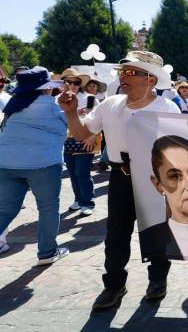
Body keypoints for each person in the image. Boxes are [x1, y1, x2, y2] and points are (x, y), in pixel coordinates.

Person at [58, 51, 181, 310]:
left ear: (150, 79)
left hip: (152, 179)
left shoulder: (166, 108)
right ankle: (113, 285)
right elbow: (83, 133)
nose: (123, 77)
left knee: (156, 232)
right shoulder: (110, 104)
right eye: (122, 72)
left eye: (130, 72)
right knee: (116, 235)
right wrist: (70, 113)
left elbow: (177, 149)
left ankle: (158, 279)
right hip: (120, 177)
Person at [0, 68, 68, 262]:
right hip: (43, 163)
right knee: (48, 207)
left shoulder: (12, 106)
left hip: (6, 163)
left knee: (4, 210)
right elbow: (73, 126)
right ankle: (47, 252)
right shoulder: (54, 106)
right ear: (46, 88)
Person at [59, 68, 98, 216]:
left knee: (82, 172)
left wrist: (93, 135)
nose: (72, 85)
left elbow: (99, 120)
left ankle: (87, 201)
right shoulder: (58, 99)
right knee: (73, 172)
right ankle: (78, 199)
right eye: (69, 82)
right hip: (67, 140)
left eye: (76, 82)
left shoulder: (90, 98)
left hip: (85, 138)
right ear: (64, 83)